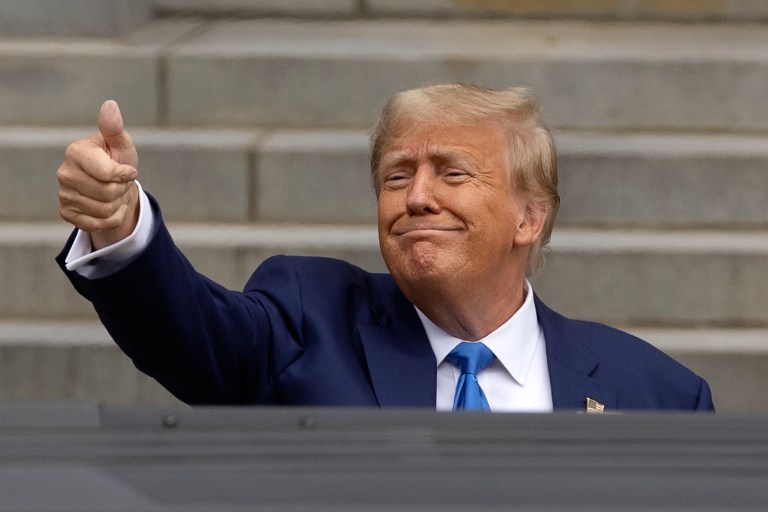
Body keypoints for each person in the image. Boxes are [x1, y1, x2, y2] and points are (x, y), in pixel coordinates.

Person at [56, 84, 714, 412]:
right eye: (398, 175)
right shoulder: (305, 323)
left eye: (451, 173)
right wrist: (120, 225)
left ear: (528, 217)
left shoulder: (655, 394)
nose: (418, 197)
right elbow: (191, 332)